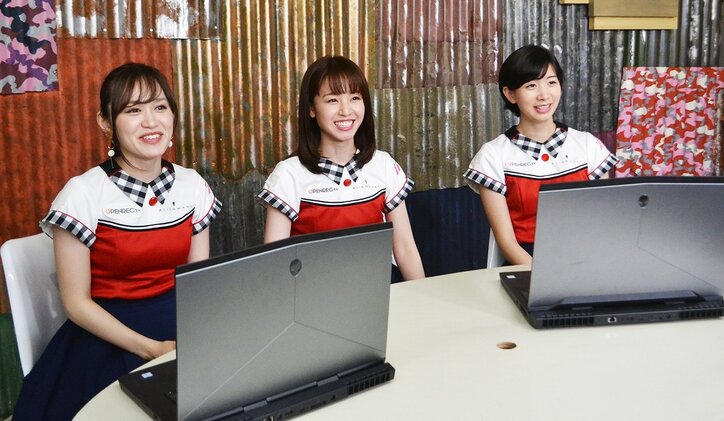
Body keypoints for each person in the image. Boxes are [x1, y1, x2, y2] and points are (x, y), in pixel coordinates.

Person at [12, 63, 222, 420]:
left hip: (179, 323)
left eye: (160, 107)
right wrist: (150, 349)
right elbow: (75, 303)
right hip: (105, 336)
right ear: (106, 122)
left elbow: (196, 281)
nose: (151, 121)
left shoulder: (193, 185)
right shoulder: (82, 194)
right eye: (133, 110)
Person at [257, 56, 425, 282]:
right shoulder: (288, 174)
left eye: (355, 98)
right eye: (332, 100)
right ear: (311, 108)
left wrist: (420, 296)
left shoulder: (384, 165)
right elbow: (274, 264)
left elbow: (405, 248)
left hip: (378, 287)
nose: (346, 111)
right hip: (314, 294)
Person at [464, 45, 617, 265]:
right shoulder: (493, 155)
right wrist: (542, 276)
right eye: (531, 85)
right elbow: (506, 242)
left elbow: (604, 223)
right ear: (510, 94)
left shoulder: (588, 146)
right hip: (526, 263)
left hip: (587, 260)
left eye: (551, 82)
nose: (544, 95)